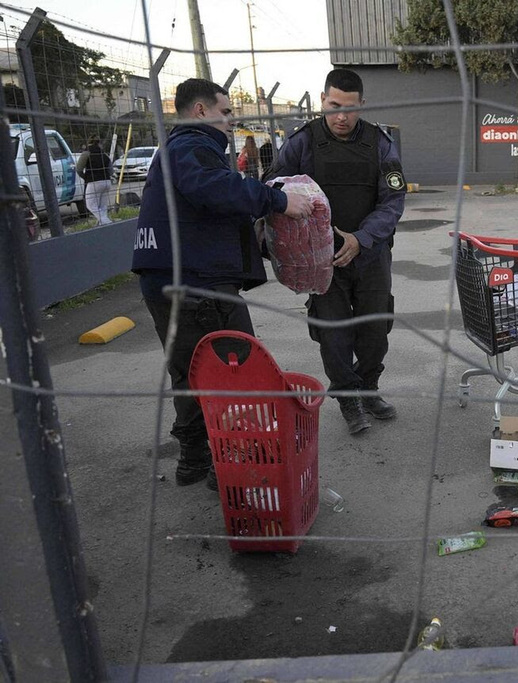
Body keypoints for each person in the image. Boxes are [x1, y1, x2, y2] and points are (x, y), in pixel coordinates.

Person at [131, 78, 313, 488]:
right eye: (226, 112)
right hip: (199, 285)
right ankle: (230, 467)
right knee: (236, 373)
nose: (231, 121)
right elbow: (213, 188)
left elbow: (203, 207)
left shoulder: (175, 149)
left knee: (189, 373)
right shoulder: (190, 146)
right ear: (201, 111)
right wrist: (278, 200)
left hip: (169, 279)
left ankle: (195, 461)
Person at [266, 68, 406, 435]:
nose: (341, 116)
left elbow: (393, 201)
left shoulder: (380, 143)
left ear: (362, 105)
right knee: (333, 333)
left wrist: (360, 239)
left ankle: (368, 388)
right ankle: (348, 399)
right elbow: (275, 189)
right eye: (333, 106)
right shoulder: (302, 142)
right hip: (319, 259)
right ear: (322, 100)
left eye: (350, 108)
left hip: (370, 253)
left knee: (375, 328)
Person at [76, 135, 113, 225]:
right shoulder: (104, 154)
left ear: (88, 143)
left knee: (90, 205)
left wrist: (86, 177)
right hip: (107, 182)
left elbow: (79, 169)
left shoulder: (86, 153)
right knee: (102, 206)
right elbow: (111, 171)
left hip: (94, 182)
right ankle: (102, 225)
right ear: (99, 143)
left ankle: (107, 222)